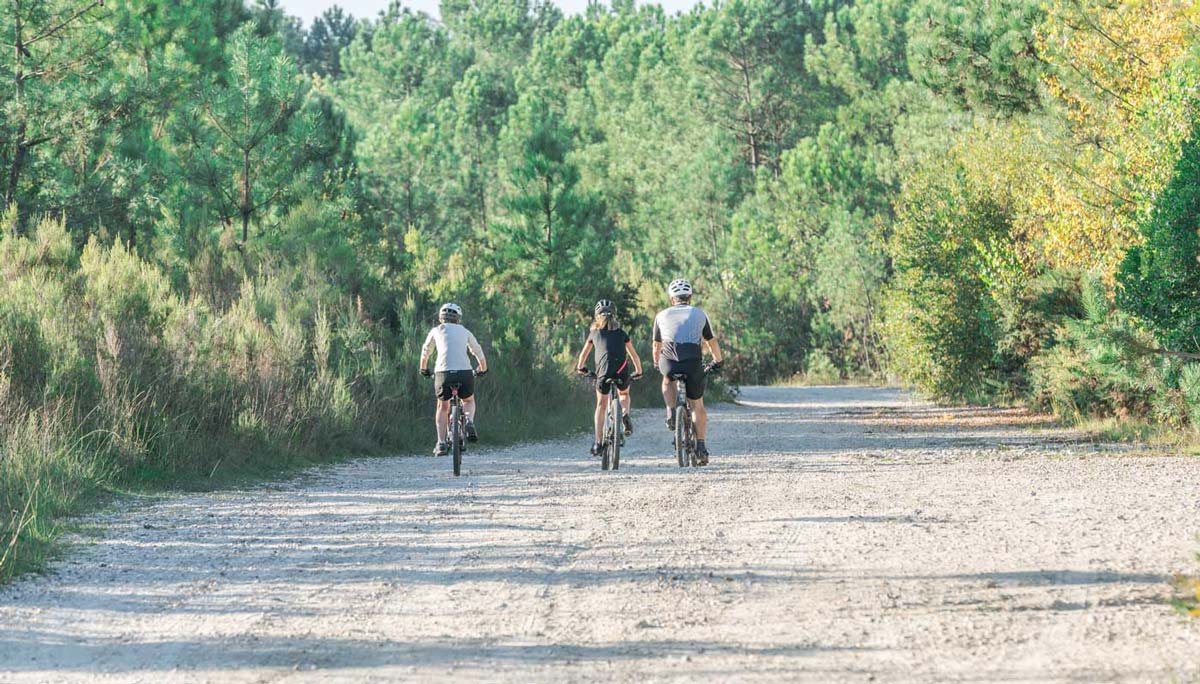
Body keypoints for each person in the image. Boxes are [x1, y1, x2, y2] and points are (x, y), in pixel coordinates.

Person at [652, 279, 724, 465]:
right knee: (697, 405)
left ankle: (670, 412)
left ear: (671, 298)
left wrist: (655, 362)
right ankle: (700, 446)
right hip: (692, 362)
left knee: (667, 380)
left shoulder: (661, 315)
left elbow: (656, 345)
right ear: (690, 297)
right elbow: (711, 341)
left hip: (669, 361)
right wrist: (718, 361)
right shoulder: (699, 313)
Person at [575, 300, 644, 457]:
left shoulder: (594, 334)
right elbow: (634, 355)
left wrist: (581, 368)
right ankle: (625, 414)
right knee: (624, 394)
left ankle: (598, 443)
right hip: (621, 371)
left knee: (601, 405)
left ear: (597, 316)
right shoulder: (621, 334)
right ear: (614, 315)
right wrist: (639, 371)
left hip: (603, 373)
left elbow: (583, 356)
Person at [419, 303, 488, 456]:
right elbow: (478, 351)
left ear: (441, 317)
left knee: (443, 407)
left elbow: (425, 351)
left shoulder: (436, 331)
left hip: (443, 374)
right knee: (468, 400)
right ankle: (469, 421)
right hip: (464, 374)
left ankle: (441, 443)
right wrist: (483, 369)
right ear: (458, 318)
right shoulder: (465, 331)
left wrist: (423, 368)